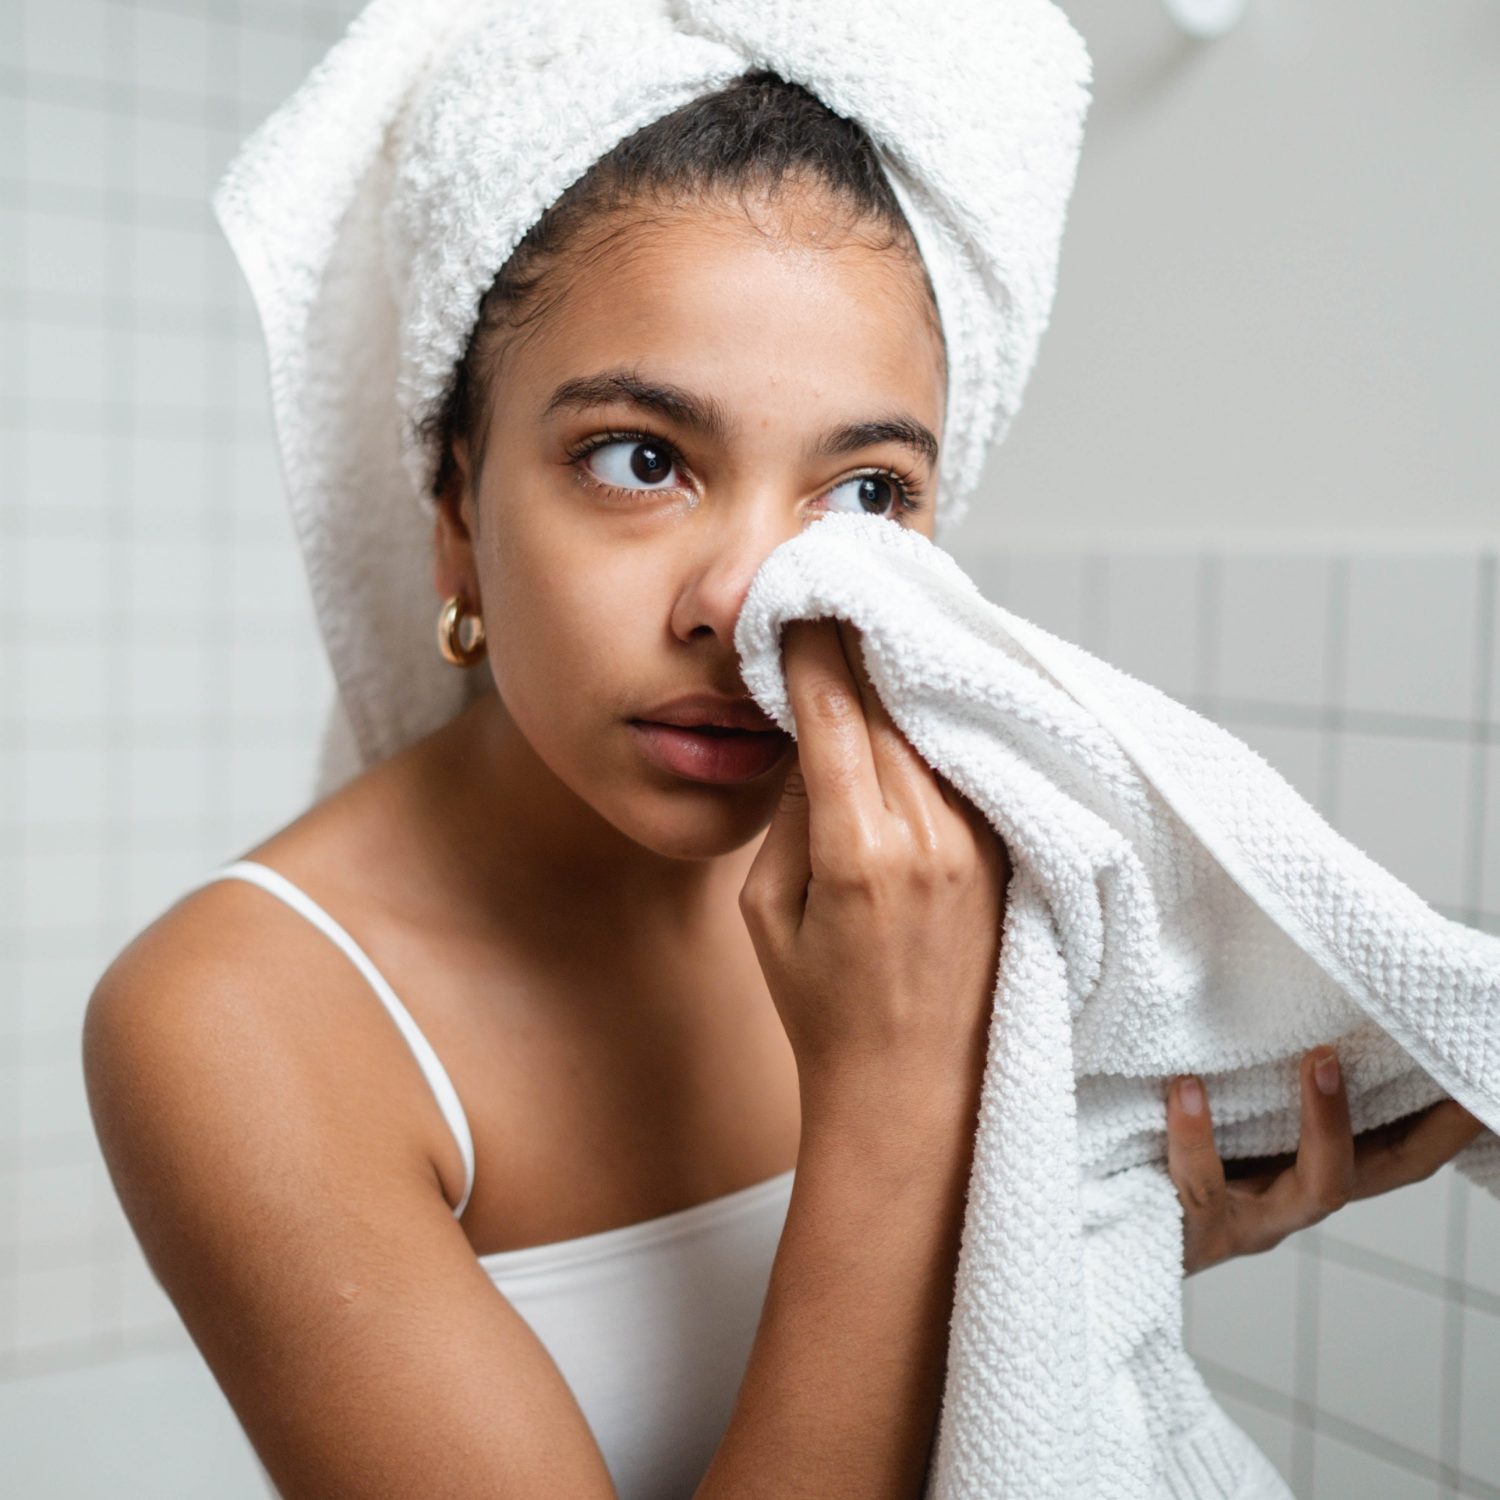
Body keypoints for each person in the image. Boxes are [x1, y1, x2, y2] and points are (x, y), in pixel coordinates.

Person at [83, 52, 1480, 1500]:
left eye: (866, 493)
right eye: (639, 458)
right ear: (454, 512)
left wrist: (1119, 1231)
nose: (750, 601)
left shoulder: (958, 874)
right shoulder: (241, 1018)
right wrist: (891, 1084)